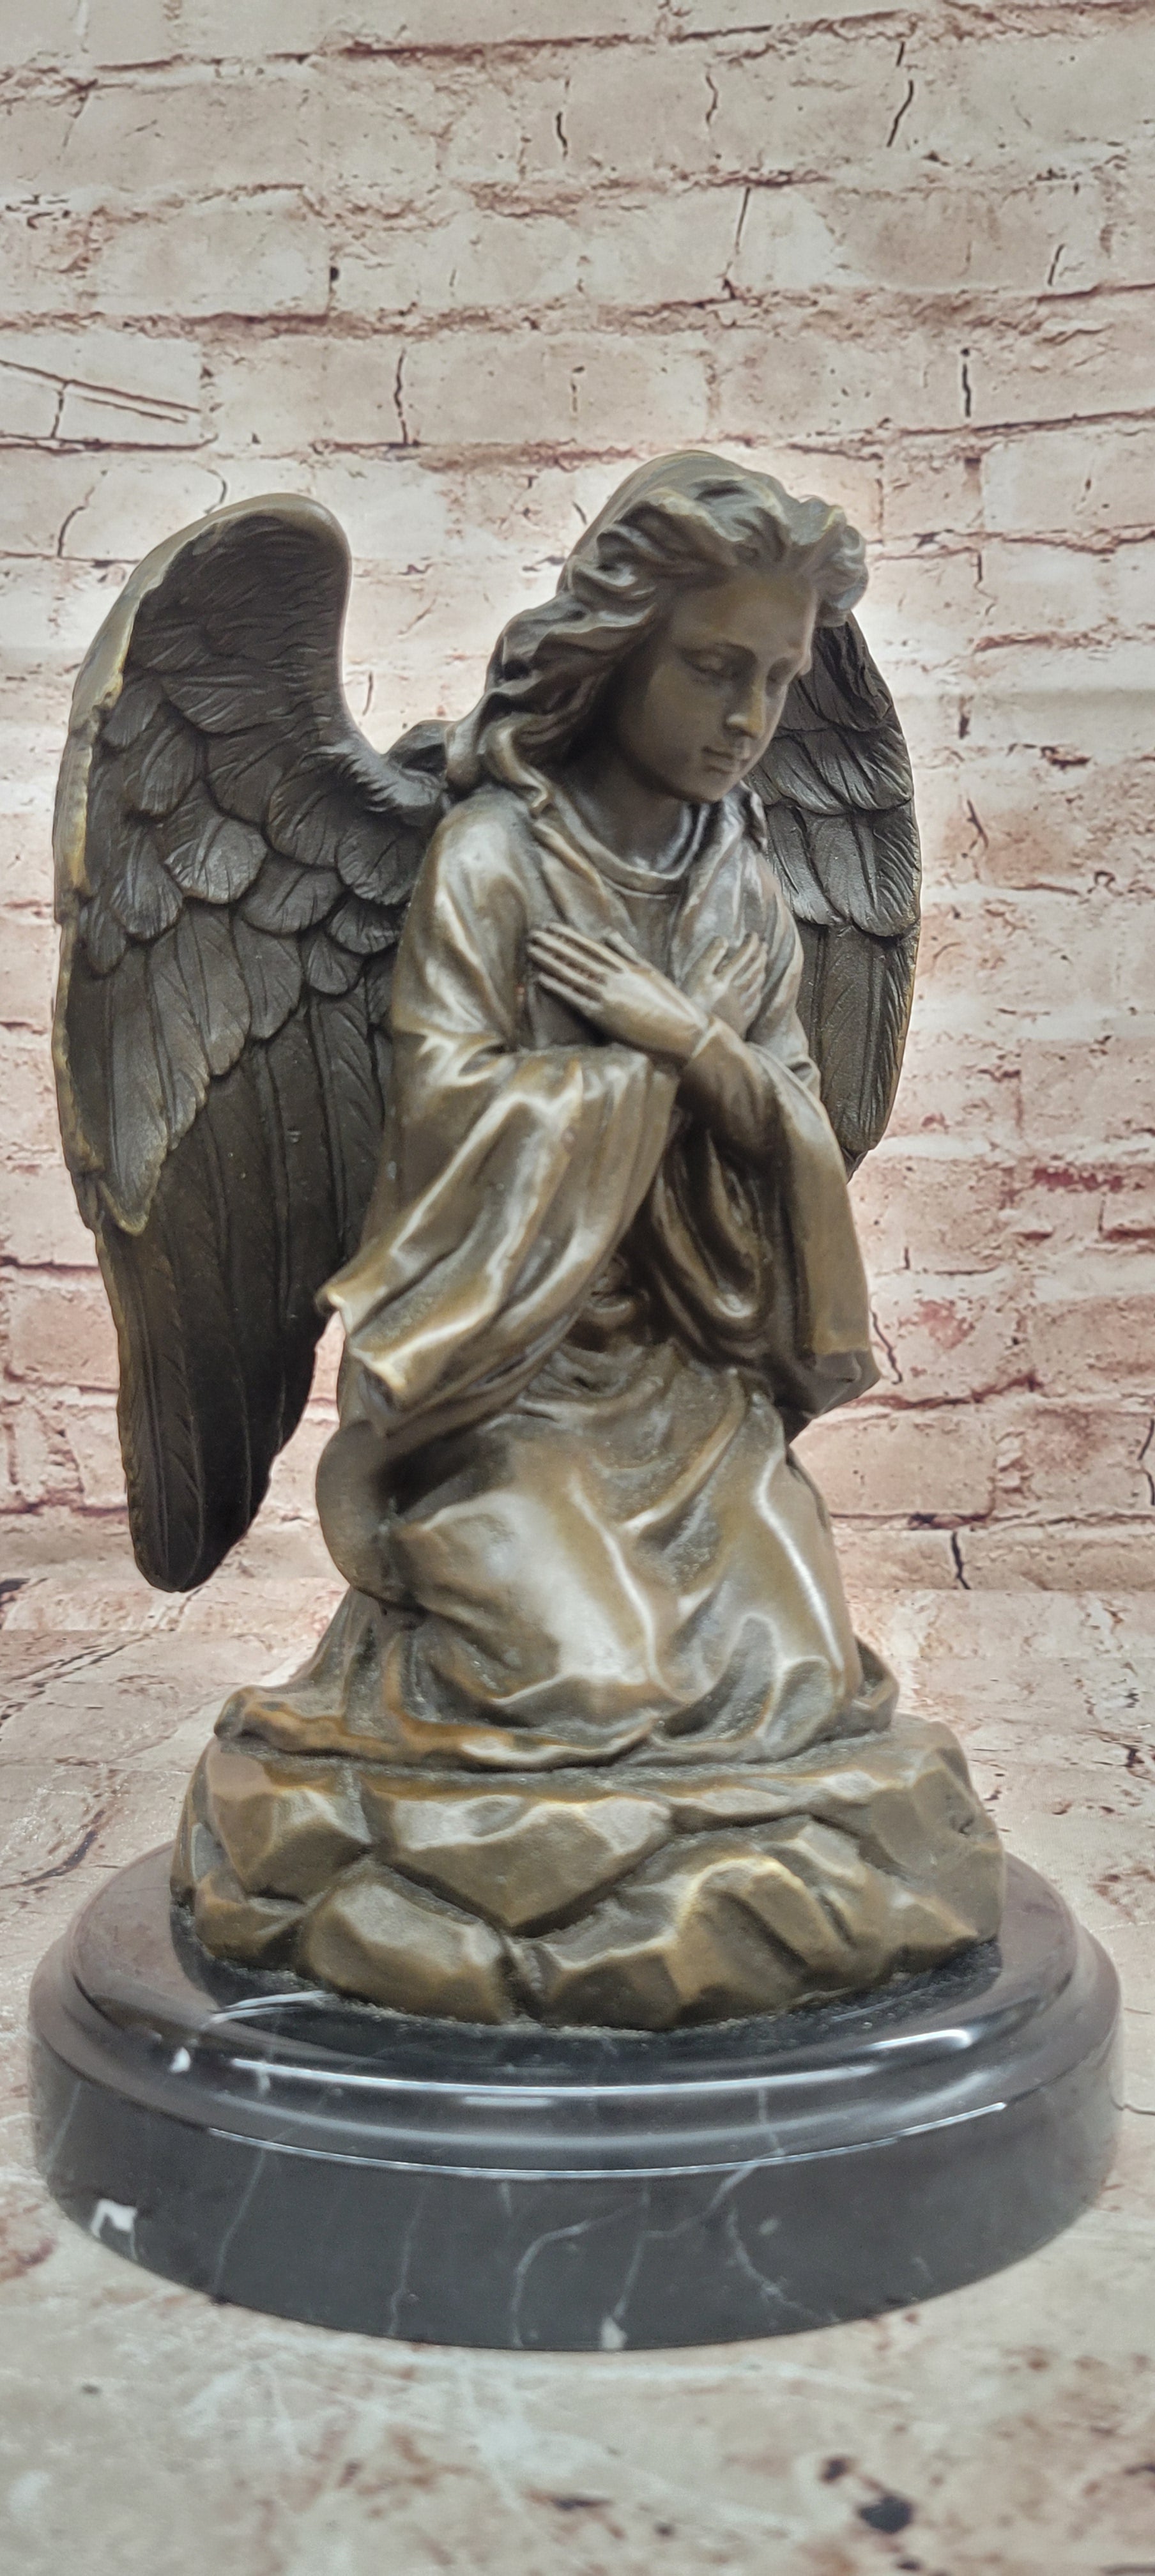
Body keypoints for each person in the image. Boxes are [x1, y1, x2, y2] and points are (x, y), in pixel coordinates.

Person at [185, 454, 1002, 2023]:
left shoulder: (740, 881)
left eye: (777, 680)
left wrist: (677, 1041)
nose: (748, 717)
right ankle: (440, 1672)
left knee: (794, 1684)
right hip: (513, 1391)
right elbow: (443, 1122)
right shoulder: (495, 860)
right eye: (712, 668)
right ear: (616, 655)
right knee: (593, 1682)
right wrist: (642, 1078)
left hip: (693, 1391)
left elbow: (793, 1127)